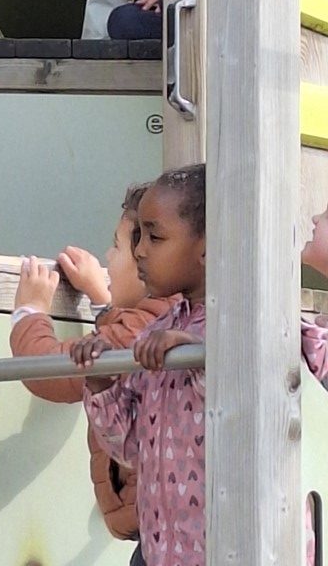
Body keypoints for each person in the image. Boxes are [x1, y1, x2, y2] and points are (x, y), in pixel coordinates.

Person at [76, 165, 328, 566]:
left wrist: (204, 357)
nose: (140, 250)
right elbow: (132, 448)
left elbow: (261, 413)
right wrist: (101, 384)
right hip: (167, 553)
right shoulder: (157, 332)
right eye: (138, 236)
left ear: (209, 248)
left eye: (155, 237)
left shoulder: (261, 324)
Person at [10, 184, 175, 565]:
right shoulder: (166, 318)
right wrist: (103, 299)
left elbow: (49, 371)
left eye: (116, 246)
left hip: (156, 535)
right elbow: (125, 336)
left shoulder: (145, 330)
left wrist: (30, 312)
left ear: (147, 262)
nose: (107, 256)